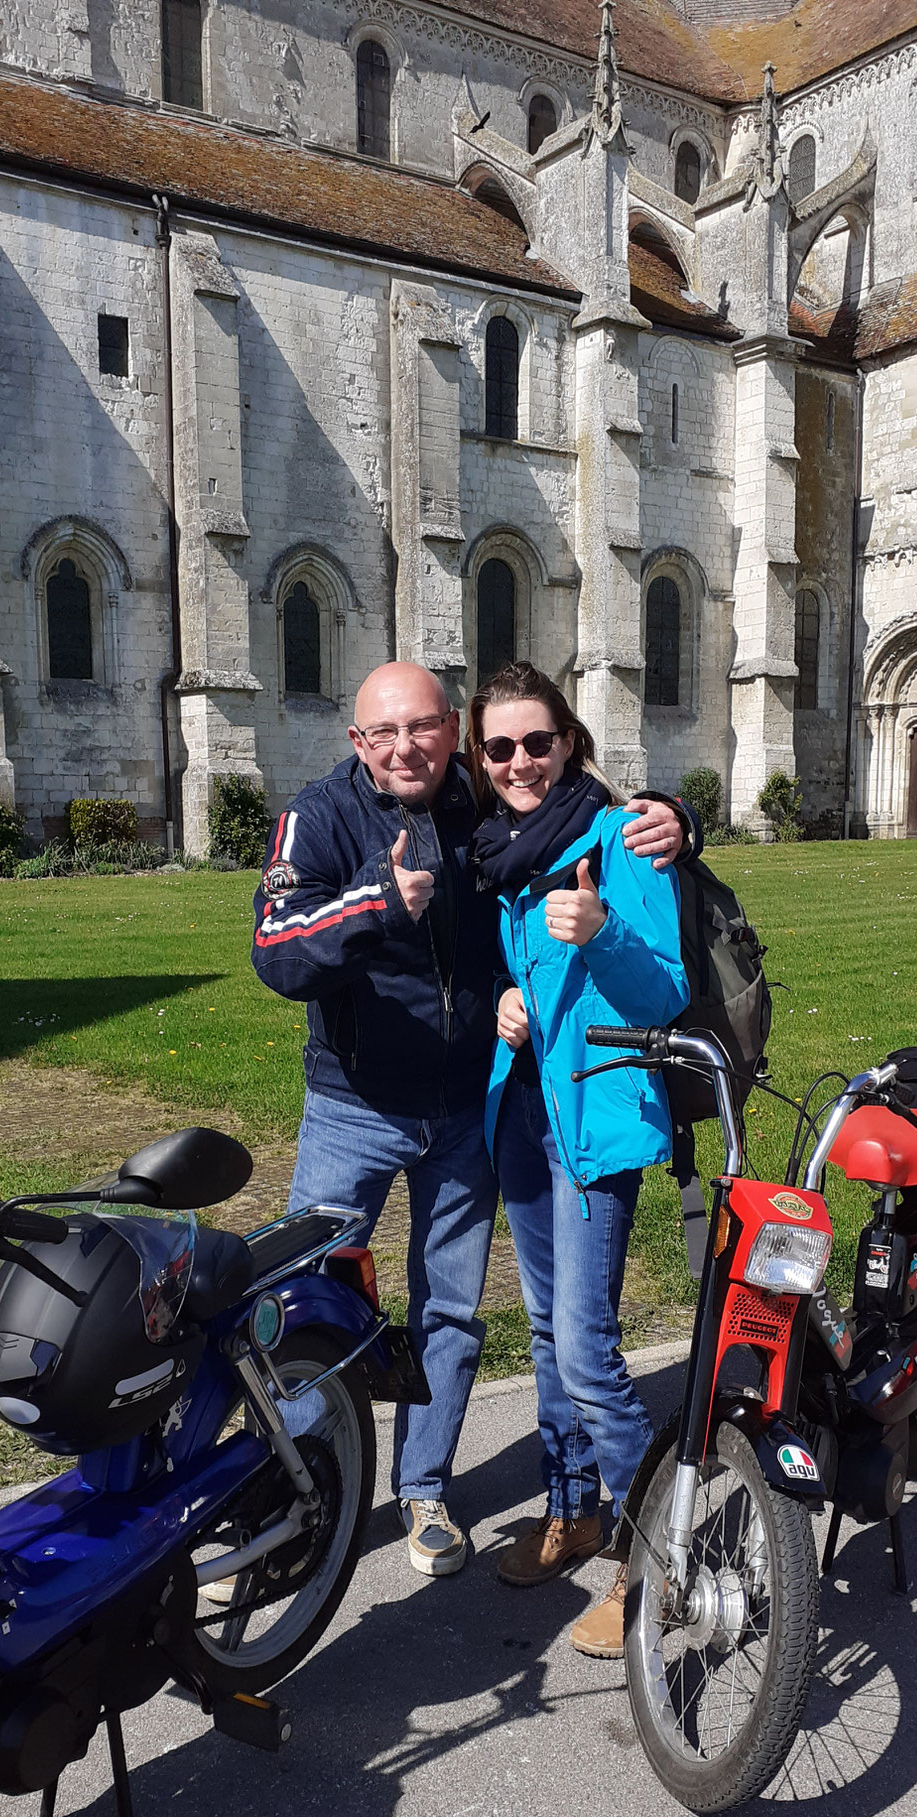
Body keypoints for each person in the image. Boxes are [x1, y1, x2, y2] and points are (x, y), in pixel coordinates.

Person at [251, 661, 687, 1579]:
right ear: (358, 743)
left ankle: (425, 1491)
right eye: (384, 734)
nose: (405, 748)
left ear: (452, 732)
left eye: (423, 728)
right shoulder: (322, 815)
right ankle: (300, 1503)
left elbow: (599, 858)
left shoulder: (486, 817)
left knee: (450, 1310)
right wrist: (374, 902)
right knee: (304, 1304)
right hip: (356, 1106)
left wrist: (680, 819)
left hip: (468, 1109)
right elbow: (276, 951)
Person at [471, 663, 688, 1658]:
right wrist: (505, 1013)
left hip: (597, 1129)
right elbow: (525, 990)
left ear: (570, 743)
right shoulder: (504, 855)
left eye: (537, 741)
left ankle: (658, 1558)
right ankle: (575, 1510)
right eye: (500, 747)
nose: (519, 760)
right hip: (529, 1117)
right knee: (550, 1341)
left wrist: (599, 934)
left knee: (588, 1350)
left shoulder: (621, 838)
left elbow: (663, 997)